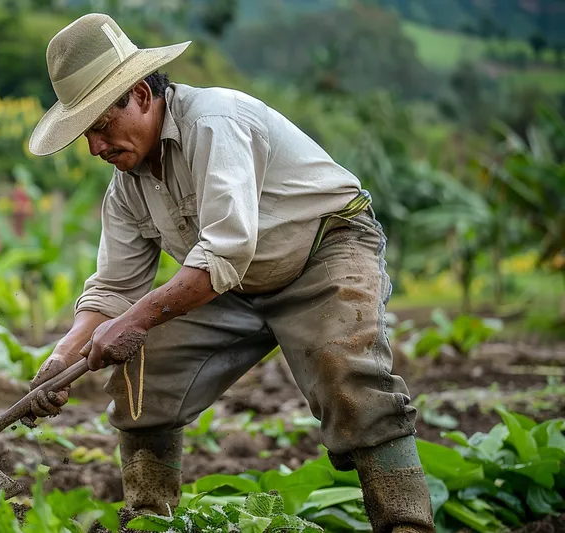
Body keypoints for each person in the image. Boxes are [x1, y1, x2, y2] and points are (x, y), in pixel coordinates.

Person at [25, 13, 435, 533]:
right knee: (143, 368)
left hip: (323, 249)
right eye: (87, 135)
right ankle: (151, 518)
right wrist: (64, 353)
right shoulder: (127, 185)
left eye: (102, 126)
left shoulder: (214, 122)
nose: (96, 148)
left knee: (347, 376)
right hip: (230, 281)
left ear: (142, 97)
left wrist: (134, 320)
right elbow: (112, 290)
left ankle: (407, 524)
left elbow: (224, 248)